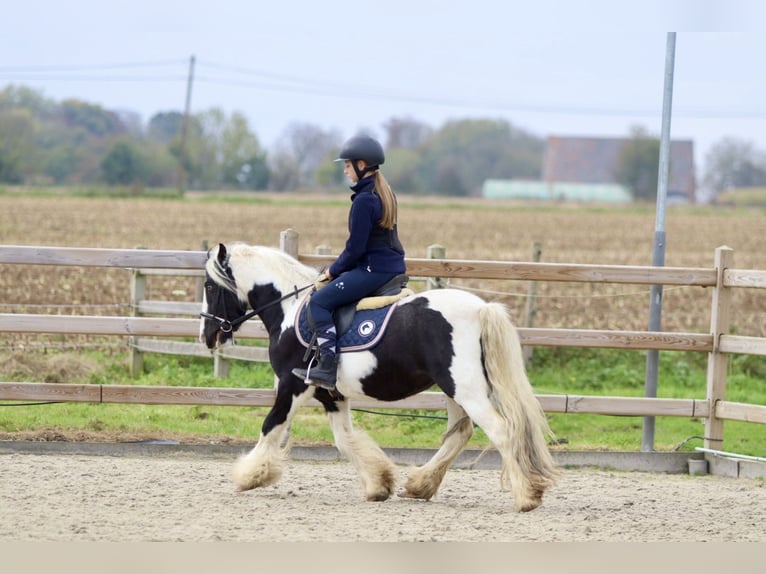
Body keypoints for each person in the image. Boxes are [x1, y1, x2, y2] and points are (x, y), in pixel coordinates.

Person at [292, 134, 406, 391]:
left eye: (347, 165)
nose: (345, 170)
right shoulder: (383, 193)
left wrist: (332, 271)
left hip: (373, 270)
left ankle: (327, 366)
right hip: (390, 267)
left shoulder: (364, 201)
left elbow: (355, 249)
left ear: (362, 165)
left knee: (319, 302)